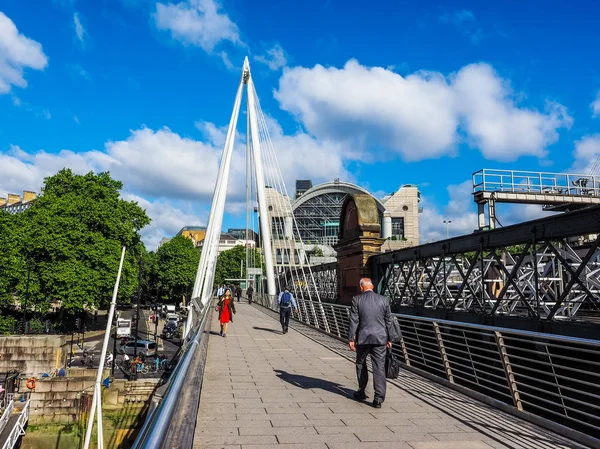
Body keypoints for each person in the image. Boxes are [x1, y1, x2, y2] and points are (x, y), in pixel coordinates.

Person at [348, 278, 393, 409]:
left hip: (363, 338)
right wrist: (389, 339)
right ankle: (378, 398)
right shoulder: (384, 300)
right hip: (380, 339)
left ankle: (361, 391)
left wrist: (351, 338)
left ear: (361, 287)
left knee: (361, 363)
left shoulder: (357, 300)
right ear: (372, 286)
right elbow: (388, 321)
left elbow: (354, 320)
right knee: (379, 367)